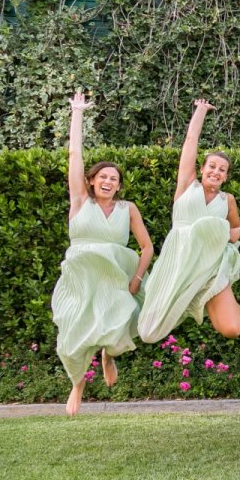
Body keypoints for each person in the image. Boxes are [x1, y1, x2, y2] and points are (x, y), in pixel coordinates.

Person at [52, 91, 154, 416]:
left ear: (119, 186)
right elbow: (74, 154)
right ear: (92, 181)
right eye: (103, 177)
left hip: (116, 277)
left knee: (120, 320)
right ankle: (77, 384)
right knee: (73, 332)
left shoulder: (128, 208)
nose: (108, 181)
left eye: (114, 178)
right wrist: (78, 112)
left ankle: (109, 354)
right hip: (81, 278)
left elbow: (147, 246)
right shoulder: (80, 202)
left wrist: (137, 278)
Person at [137, 99, 240, 342]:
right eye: (212, 166)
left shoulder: (227, 200)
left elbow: (239, 228)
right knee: (148, 332)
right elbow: (190, 142)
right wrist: (201, 111)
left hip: (210, 265)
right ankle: (192, 295)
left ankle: (208, 293)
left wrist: (233, 234)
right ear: (202, 168)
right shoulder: (187, 185)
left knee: (232, 329)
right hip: (179, 261)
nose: (216, 172)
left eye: (222, 170)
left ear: (226, 177)